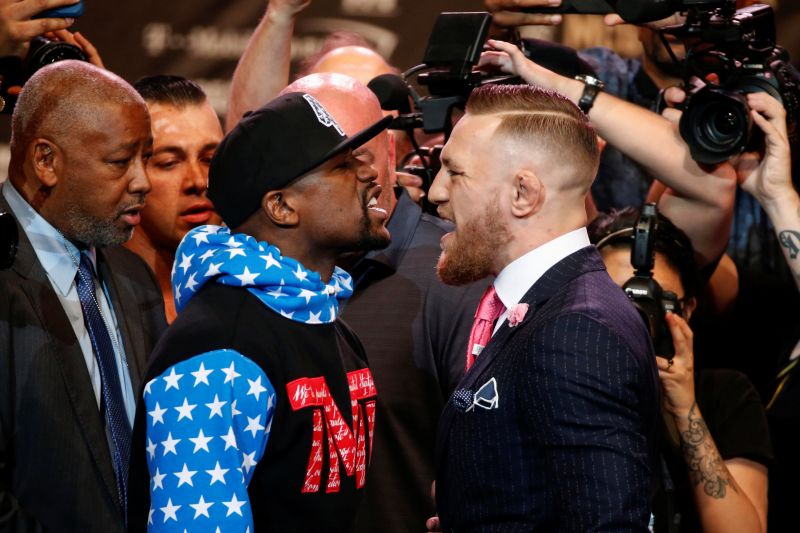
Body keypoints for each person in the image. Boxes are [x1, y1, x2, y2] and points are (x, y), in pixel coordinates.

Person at [227, 4, 486, 530]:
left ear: (390, 149)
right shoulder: (251, 280)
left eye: (359, 147)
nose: (357, 170)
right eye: (332, 157)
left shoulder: (457, 277)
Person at [127, 91, 393, 532]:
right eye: (343, 166)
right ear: (282, 207)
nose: (371, 175)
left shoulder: (329, 324)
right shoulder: (218, 355)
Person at [427, 83, 660, 531]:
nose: (436, 192)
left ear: (523, 194)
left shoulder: (575, 331)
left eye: (454, 173)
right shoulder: (549, 307)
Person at [0, 60, 167, 531]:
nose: (143, 182)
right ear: (46, 161)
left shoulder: (133, 276)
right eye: (120, 161)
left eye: (147, 158)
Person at [590, 207, 771, 533]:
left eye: (653, 301)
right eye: (617, 298)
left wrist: (685, 409)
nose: (633, 318)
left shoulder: (723, 394)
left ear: (687, 308)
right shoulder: (561, 383)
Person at [124, 75, 224, 323]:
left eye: (210, 159)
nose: (198, 181)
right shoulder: (95, 299)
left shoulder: (253, 285)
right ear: (127, 170)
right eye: (169, 163)